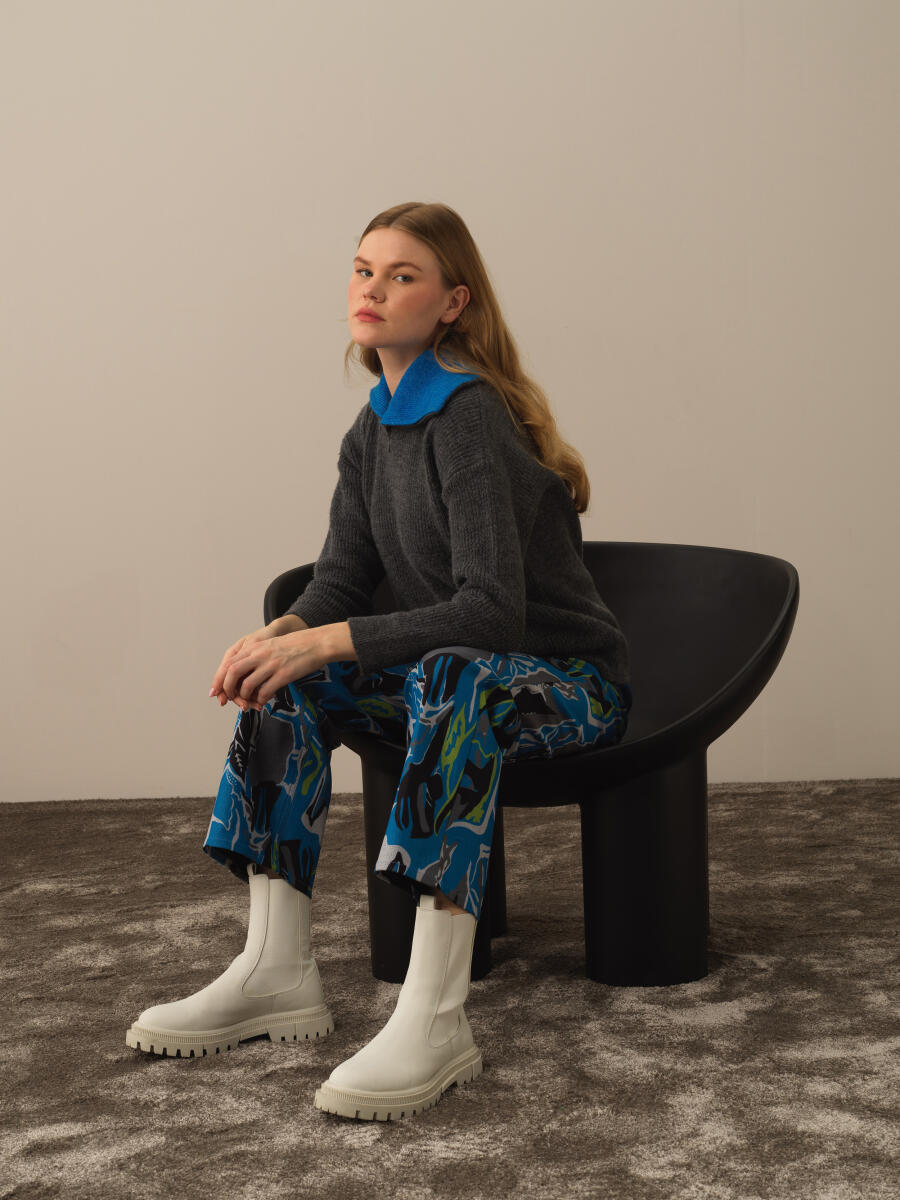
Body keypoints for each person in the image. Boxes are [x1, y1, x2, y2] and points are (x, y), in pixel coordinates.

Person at [125, 201, 632, 1121]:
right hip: (461, 680)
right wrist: (281, 637)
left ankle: (435, 1019)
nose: (374, 289)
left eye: (403, 276)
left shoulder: (468, 416)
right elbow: (341, 581)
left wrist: (325, 637)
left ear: (453, 303)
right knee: (290, 679)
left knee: (451, 674)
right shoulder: (371, 429)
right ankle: (276, 969)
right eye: (364, 270)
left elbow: (490, 613)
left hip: (565, 687)